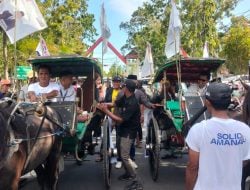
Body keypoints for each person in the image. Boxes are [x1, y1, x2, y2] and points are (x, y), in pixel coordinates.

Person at [185, 82, 250, 190]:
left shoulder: (198, 130)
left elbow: (192, 167)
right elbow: (244, 161)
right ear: (229, 101)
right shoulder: (245, 130)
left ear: (207, 102)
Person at [97, 79, 143, 190]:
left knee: (125, 156)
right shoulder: (125, 97)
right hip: (122, 129)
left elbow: (120, 119)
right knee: (121, 152)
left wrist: (106, 111)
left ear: (126, 89)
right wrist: (103, 104)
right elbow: (114, 104)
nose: (121, 88)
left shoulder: (133, 103)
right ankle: (128, 174)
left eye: (123, 86)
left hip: (129, 132)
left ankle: (137, 181)